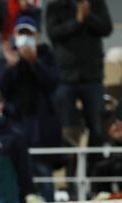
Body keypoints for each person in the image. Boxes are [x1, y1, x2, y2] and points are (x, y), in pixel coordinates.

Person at [0, 16, 63, 202]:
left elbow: (53, 83)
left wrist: (34, 63)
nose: (24, 38)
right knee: (17, 179)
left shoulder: (46, 55)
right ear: (15, 35)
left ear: (37, 36)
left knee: (44, 178)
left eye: (29, 33)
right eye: (21, 33)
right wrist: (10, 67)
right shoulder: (8, 56)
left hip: (42, 129)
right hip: (14, 126)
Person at [46, 0, 113, 174]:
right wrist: (77, 21)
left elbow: (107, 28)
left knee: (97, 128)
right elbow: (53, 32)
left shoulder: (95, 4)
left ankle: (94, 176)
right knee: (68, 131)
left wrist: (88, 16)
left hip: (92, 77)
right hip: (65, 78)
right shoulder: (55, 6)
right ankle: (70, 180)